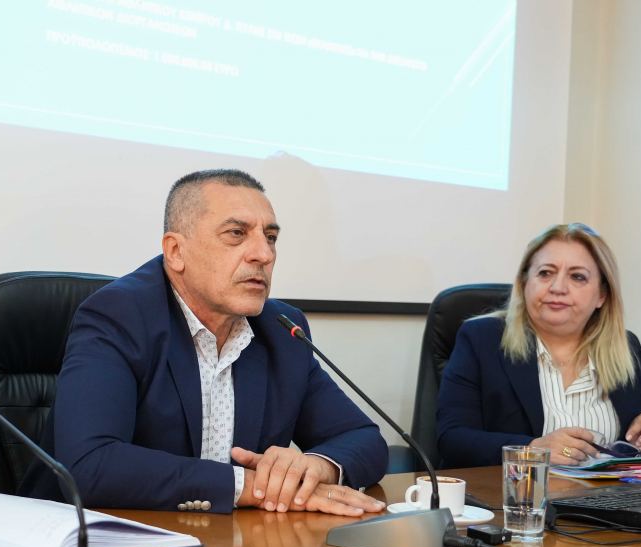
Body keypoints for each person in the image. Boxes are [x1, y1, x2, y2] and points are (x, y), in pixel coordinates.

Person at [21, 169, 388, 515]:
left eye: (271, 237)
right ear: (176, 252)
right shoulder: (119, 316)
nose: (264, 254)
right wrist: (253, 486)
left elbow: (363, 439)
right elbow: (90, 465)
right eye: (236, 233)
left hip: (228, 544)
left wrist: (315, 468)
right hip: (86, 544)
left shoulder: (281, 330)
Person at [436, 223, 641, 467]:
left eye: (577, 277)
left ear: (602, 295)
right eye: (545, 273)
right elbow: (452, 439)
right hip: (514, 491)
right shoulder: (482, 339)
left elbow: (635, 452)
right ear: (524, 284)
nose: (557, 288)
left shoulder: (626, 348)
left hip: (605, 491)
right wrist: (532, 450)